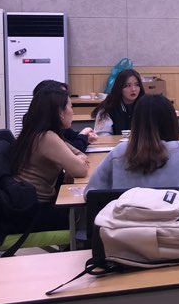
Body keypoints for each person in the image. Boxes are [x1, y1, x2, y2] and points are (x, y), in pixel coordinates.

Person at [86, 95, 179, 195]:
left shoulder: (120, 152)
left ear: (136, 122)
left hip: (127, 225)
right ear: (172, 122)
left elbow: (91, 193)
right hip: (175, 225)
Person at [10, 85, 89, 229]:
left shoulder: (39, 132)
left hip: (28, 206)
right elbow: (81, 170)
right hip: (34, 212)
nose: (72, 112)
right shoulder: (47, 137)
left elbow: (79, 154)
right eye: (71, 107)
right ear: (60, 112)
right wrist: (74, 164)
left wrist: (75, 163)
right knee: (87, 213)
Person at [33, 80, 97, 152]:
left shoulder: (54, 125)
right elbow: (74, 150)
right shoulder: (46, 134)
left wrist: (86, 137)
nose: (65, 97)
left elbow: (72, 137)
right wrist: (83, 134)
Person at [92, 69, 144, 135]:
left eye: (137, 85)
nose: (133, 89)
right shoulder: (107, 108)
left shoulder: (146, 106)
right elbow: (103, 135)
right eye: (128, 85)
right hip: (116, 142)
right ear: (119, 87)